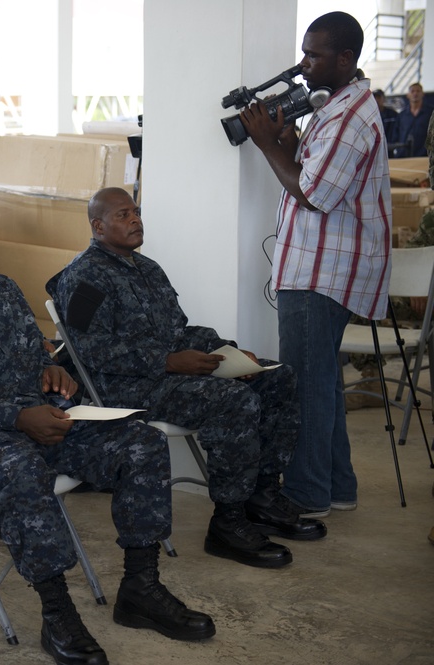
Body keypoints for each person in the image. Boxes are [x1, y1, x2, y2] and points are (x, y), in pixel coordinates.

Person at [0, 183, 215, 665]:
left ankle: (141, 588)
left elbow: (32, 353)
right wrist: (17, 415)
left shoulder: (3, 287)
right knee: (20, 470)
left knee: (140, 443)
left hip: (37, 415)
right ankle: (57, 614)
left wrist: (48, 370)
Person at [47, 188, 326, 569]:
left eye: (136, 212)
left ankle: (261, 497)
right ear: (98, 227)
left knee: (277, 377)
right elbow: (89, 352)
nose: (135, 220)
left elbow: (179, 331)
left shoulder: (147, 268)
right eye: (123, 215)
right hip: (124, 387)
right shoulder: (84, 278)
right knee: (233, 400)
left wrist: (228, 351)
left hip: (166, 373)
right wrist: (168, 361)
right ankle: (228, 523)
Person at [240, 11, 391, 517]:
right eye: (305, 52)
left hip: (320, 271)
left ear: (346, 59)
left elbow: (314, 194)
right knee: (322, 380)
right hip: (325, 267)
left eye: (315, 55)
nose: (303, 65)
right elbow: (314, 173)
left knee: (306, 385)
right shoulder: (343, 106)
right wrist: (287, 144)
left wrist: (265, 145)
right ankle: (338, 486)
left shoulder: (349, 118)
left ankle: (306, 495)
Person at [392, 83, 432, 157]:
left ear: (423, 94)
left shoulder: (430, 113)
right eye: (412, 91)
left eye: (418, 91)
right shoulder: (402, 115)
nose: (415, 93)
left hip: (424, 156)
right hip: (403, 156)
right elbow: (395, 135)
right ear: (408, 95)